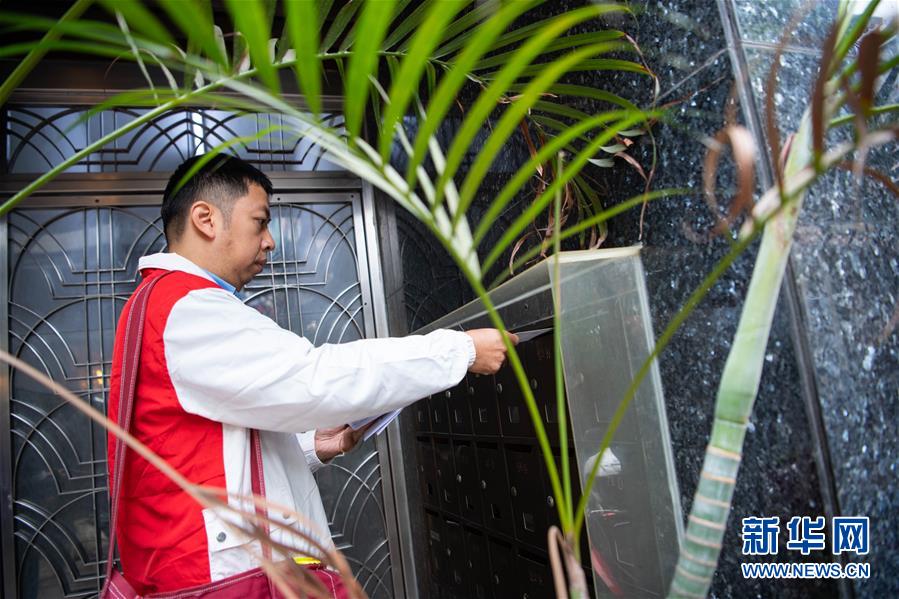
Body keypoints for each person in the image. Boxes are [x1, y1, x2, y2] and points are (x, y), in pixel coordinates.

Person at [107, 154, 515, 595]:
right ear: (206, 219)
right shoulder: (188, 308)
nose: (269, 242)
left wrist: (308, 446)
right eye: (260, 222)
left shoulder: (158, 304)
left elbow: (207, 448)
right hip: (223, 578)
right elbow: (315, 378)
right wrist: (460, 350)